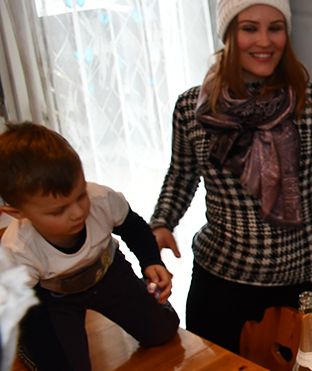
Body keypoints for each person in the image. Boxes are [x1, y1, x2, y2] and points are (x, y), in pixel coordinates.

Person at [150, 0, 312, 353]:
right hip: (224, 278)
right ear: (228, 33)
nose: (265, 40)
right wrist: (161, 223)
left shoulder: (311, 102)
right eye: (249, 28)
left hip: (309, 279)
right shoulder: (193, 108)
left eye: (275, 27)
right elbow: (181, 174)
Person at [0, 122, 179, 371]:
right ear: (17, 212)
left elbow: (134, 228)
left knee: (163, 331)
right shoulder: (18, 250)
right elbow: (29, 312)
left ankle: (148, 303)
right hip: (54, 298)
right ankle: (26, 348)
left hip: (109, 274)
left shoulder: (100, 199)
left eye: (80, 195)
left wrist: (151, 261)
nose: (77, 213)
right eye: (58, 211)